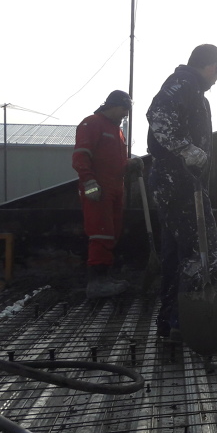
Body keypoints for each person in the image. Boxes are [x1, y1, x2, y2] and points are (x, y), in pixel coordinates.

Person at [146, 44, 217, 339]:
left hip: (178, 184)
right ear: (211, 66)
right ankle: (187, 320)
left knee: (175, 255)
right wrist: (188, 150)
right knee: (203, 251)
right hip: (178, 184)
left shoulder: (191, 90)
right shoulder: (184, 84)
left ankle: (170, 321)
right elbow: (159, 119)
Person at [72, 90, 143, 298]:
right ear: (112, 105)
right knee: (100, 233)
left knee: (112, 232)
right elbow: (80, 156)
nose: (124, 116)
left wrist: (129, 165)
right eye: (123, 111)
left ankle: (105, 277)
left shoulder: (116, 131)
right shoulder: (92, 124)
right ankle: (96, 282)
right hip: (99, 189)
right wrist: (89, 182)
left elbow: (115, 163)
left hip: (114, 189)